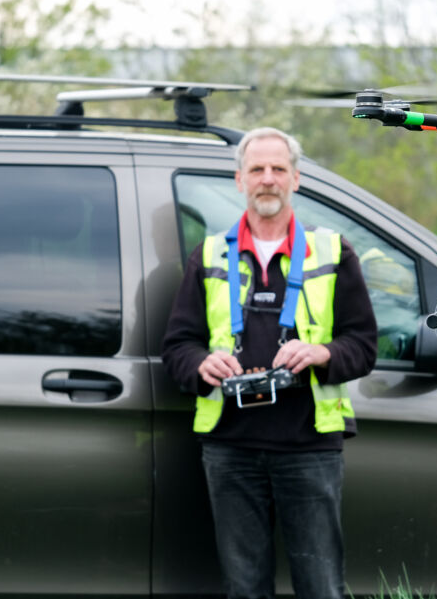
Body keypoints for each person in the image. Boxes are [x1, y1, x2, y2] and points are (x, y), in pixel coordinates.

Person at [162, 127, 377, 599]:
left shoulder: (333, 251)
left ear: (296, 179)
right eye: (256, 169)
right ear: (239, 180)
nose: (267, 179)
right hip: (230, 448)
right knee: (244, 589)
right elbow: (177, 347)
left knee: (321, 587)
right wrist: (202, 364)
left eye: (278, 169)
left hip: (310, 446)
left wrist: (323, 352)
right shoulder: (210, 254)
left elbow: (363, 345)